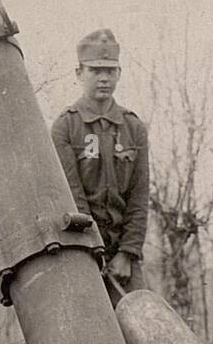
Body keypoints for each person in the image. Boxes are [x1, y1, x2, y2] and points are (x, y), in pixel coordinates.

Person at [51, 29, 149, 302]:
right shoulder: (65, 127)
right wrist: (93, 249)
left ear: (119, 73)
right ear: (79, 73)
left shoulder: (133, 127)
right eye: (95, 70)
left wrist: (127, 254)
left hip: (124, 257)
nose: (104, 78)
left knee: (142, 325)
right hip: (82, 249)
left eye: (110, 70)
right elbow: (71, 196)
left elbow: (139, 198)